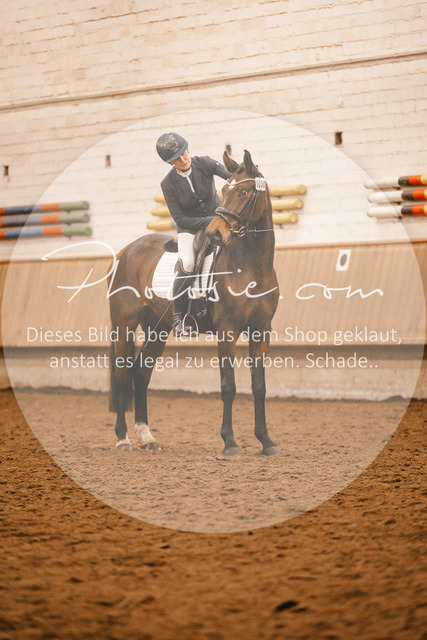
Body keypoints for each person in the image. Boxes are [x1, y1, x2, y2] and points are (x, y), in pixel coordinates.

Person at [156, 132, 232, 337]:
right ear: (170, 163)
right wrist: (211, 221)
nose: (183, 159)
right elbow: (180, 219)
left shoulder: (205, 163)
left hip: (219, 221)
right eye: (177, 159)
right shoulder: (168, 184)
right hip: (190, 228)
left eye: (184, 153)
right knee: (188, 263)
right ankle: (178, 319)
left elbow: (231, 176)